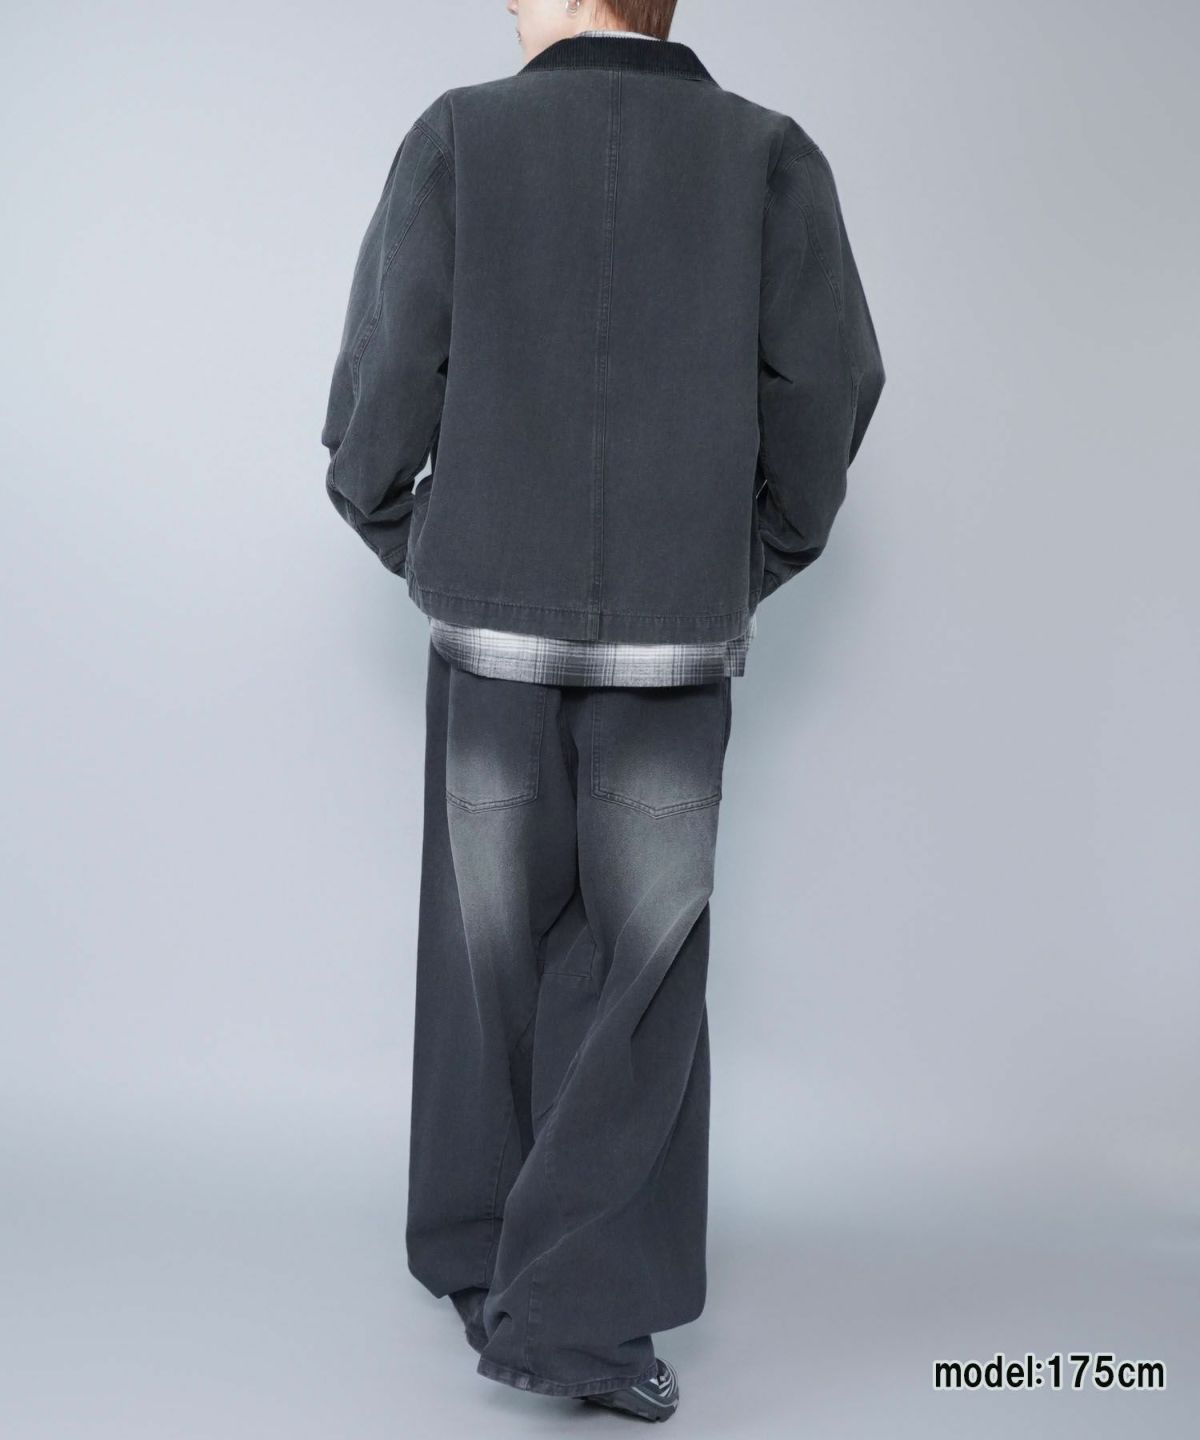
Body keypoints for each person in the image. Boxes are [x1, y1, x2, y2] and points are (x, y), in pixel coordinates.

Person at [320, 0, 885, 1422]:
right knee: (638, 972)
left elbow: (383, 384)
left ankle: (502, 1280)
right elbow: (829, 390)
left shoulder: (460, 137)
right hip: (671, 640)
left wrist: (415, 537)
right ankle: (563, 1297)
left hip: (491, 629)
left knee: (487, 954)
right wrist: (741, 561)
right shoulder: (767, 155)